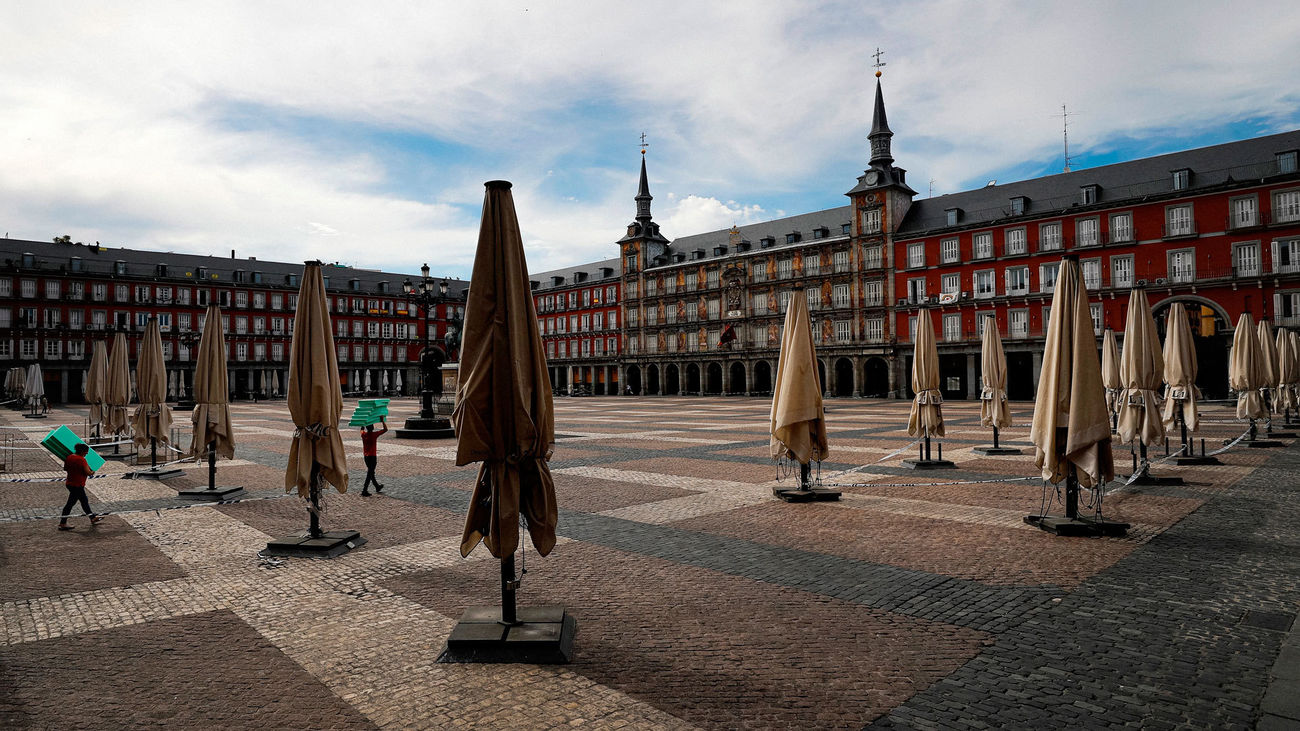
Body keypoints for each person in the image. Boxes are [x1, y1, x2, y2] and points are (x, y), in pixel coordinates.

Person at [59, 443, 103, 531]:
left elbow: (66, 469)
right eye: (86, 452)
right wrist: (93, 471)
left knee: (80, 502)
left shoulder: (70, 457)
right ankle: (63, 523)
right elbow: (88, 473)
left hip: (70, 483)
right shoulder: (82, 460)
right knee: (74, 503)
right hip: (78, 485)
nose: (86, 454)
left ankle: (92, 517)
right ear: (82, 451)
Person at [360, 417, 388, 496]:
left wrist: (364, 422)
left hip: (366, 457)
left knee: (371, 472)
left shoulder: (363, 435)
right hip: (372, 456)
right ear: (373, 428)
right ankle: (364, 490)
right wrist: (382, 420)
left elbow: (361, 429)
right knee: (370, 473)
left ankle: (377, 486)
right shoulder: (374, 435)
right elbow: (385, 429)